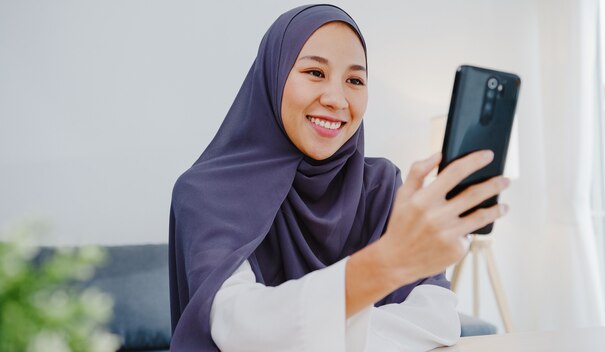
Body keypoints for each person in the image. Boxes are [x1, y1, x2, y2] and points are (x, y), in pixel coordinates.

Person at [168, 4, 509, 351]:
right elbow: (237, 325)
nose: (336, 99)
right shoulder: (208, 192)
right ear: (273, 76)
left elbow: (438, 319)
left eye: (355, 80)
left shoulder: (380, 184)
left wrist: (321, 326)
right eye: (315, 72)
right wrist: (383, 265)